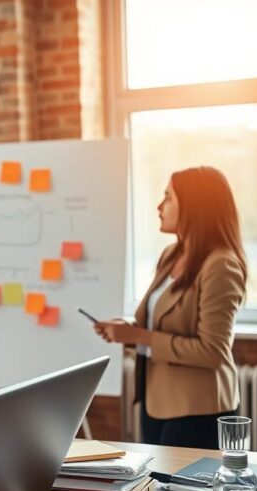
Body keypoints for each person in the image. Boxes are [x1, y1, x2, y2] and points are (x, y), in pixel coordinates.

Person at [93, 166, 247, 449]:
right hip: (156, 403)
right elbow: (161, 324)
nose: (159, 206)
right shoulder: (170, 255)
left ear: (195, 206)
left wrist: (138, 337)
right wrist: (127, 331)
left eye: (168, 198)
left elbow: (212, 352)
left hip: (199, 410)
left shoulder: (221, 265)